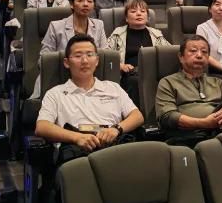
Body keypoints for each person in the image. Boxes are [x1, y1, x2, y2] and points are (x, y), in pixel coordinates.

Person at [35, 34, 144, 164]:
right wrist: (77, 138)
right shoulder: (55, 94)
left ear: (97, 60)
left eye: (89, 55)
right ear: (66, 63)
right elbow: (42, 126)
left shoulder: (113, 87)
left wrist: (117, 129)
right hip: (77, 156)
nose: (85, 61)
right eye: (78, 56)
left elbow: (137, 116)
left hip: (114, 150)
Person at [154, 35, 222, 145]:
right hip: (189, 137)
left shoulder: (216, 82)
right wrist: (204, 123)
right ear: (181, 57)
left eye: (204, 52)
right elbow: (167, 116)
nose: (199, 55)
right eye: (193, 51)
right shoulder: (168, 82)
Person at [33, 0, 108, 98]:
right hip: (59, 79)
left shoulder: (99, 25)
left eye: (89, 1)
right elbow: (43, 61)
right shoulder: (56, 26)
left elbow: (105, 54)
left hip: (89, 79)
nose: (86, 4)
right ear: (72, 4)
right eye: (80, 0)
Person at [107, 0, 170, 100]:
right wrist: (120, 66)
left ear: (148, 17)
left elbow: (170, 54)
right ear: (126, 18)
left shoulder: (156, 34)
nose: (138, 14)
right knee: (135, 82)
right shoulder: (117, 34)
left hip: (153, 73)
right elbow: (107, 58)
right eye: (133, 11)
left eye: (143, 11)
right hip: (129, 74)